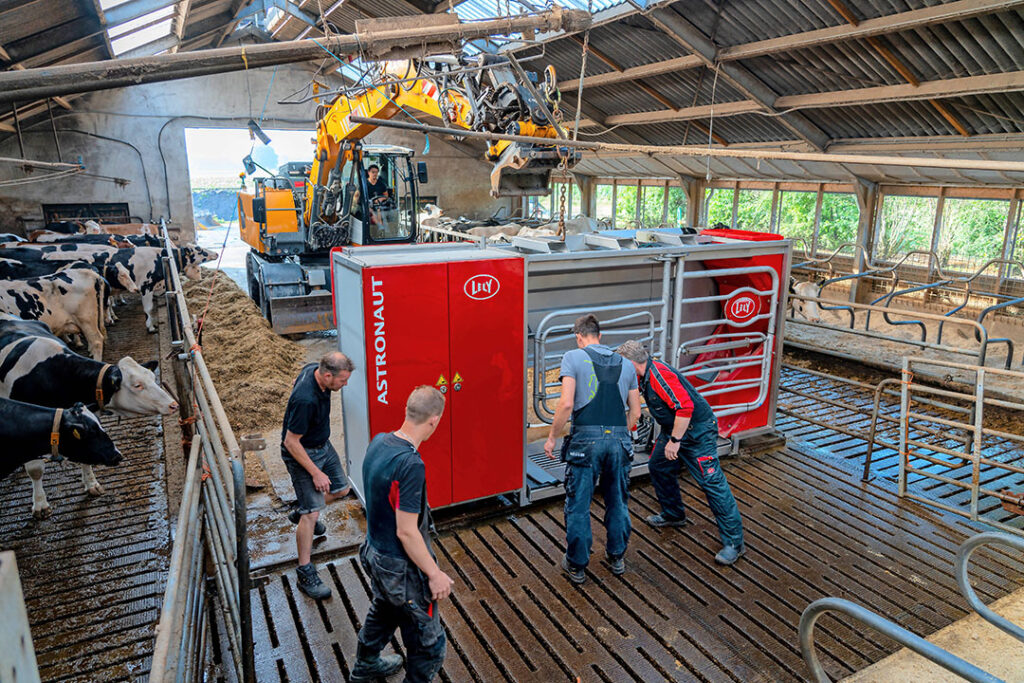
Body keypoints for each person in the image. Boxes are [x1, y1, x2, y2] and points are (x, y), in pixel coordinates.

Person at [351, 386, 453, 682]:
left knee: (384, 610)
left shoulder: (379, 441)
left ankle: (366, 665)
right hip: (400, 567)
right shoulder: (410, 464)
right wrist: (434, 573)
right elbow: (407, 532)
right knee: (430, 645)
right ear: (434, 420)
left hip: (375, 553)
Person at [616, 340, 746, 566]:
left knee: (712, 482)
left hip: (696, 433)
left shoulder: (659, 376)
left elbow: (685, 407)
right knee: (658, 466)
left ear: (630, 363)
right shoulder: (641, 376)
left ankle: (735, 542)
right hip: (674, 429)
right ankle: (674, 514)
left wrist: (675, 441)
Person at [544, 314, 641, 584]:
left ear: (579, 336)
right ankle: (617, 557)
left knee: (579, 505)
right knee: (618, 501)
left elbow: (565, 404)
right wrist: (620, 434)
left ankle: (576, 565)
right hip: (620, 441)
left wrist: (552, 437)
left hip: (585, 442)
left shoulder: (573, 358)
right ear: (599, 335)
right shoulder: (626, 364)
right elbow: (635, 412)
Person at [281, 351, 355, 599]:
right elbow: (291, 442)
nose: (345, 385)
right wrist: (315, 473)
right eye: (342, 380)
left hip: (322, 445)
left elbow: (298, 375)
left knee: (342, 489)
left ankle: (302, 510)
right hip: (302, 452)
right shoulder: (306, 400)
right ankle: (305, 571)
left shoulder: (313, 368)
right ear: (326, 375)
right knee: (312, 514)